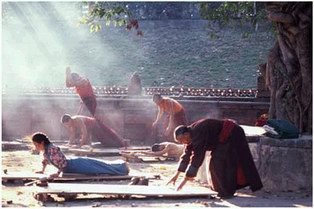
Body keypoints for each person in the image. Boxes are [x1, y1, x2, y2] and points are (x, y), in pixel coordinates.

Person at [167, 118, 263, 199]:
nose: (183, 142)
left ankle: (226, 192)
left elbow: (197, 156)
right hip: (222, 140)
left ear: (186, 134)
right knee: (216, 162)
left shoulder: (198, 132)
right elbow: (187, 154)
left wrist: (186, 179)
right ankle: (221, 191)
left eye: (181, 140)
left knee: (218, 162)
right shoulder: (191, 135)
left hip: (232, 134)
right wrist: (176, 174)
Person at [31, 132, 129, 178]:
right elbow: (45, 161)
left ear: (42, 142)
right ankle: (120, 166)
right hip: (73, 165)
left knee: (100, 167)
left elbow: (62, 163)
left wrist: (57, 174)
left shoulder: (51, 149)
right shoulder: (46, 150)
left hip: (76, 165)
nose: (35, 147)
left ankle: (122, 167)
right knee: (99, 167)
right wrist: (42, 170)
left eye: (36, 145)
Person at [61, 114, 125, 148]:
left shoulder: (77, 119)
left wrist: (80, 145)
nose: (66, 126)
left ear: (69, 120)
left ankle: (119, 144)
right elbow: (72, 135)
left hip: (94, 125)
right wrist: (69, 144)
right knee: (86, 144)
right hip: (88, 128)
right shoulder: (71, 124)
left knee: (105, 139)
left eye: (66, 124)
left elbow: (84, 132)